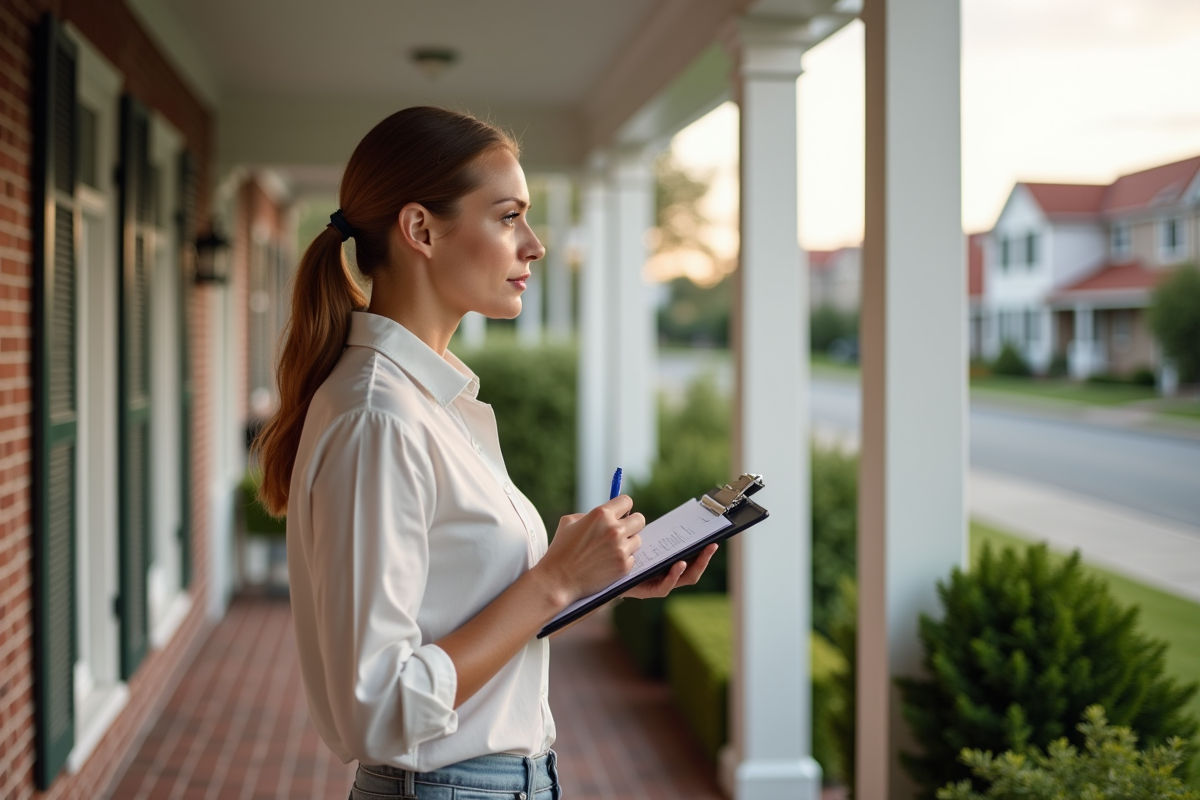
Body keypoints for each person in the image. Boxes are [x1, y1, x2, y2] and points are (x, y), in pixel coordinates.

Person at [253, 106, 717, 800]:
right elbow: (376, 708)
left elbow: (458, 609)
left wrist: (586, 578)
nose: (534, 244)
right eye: (508, 216)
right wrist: (551, 582)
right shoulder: (379, 417)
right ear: (420, 229)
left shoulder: (431, 401)